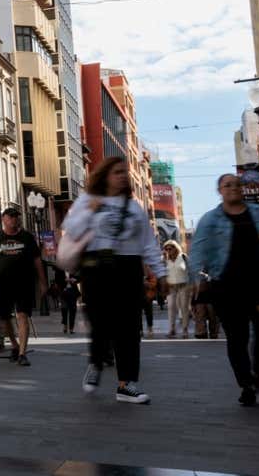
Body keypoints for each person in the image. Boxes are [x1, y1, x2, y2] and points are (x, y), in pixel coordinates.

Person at [63, 157, 166, 405]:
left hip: (128, 267)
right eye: (117, 172)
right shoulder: (87, 200)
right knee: (100, 321)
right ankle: (96, 361)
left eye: (125, 173)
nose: (123, 176)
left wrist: (161, 273)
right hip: (96, 266)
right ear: (105, 175)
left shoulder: (134, 208)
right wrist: (91, 210)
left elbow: (148, 243)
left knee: (129, 327)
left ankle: (126, 384)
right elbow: (72, 229)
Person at [188, 173, 259, 406]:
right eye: (228, 185)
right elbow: (197, 251)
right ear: (220, 190)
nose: (234, 188)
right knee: (237, 337)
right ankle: (246, 384)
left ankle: (256, 372)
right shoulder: (210, 219)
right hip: (226, 286)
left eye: (237, 184)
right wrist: (198, 278)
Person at [0, 206, 46, 366]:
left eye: (16, 216)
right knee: (4, 318)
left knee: (22, 315)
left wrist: (43, 282)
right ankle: (15, 346)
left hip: (24, 284)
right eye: (10, 217)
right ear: (3, 219)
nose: (14, 219)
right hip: (3, 284)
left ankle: (23, 353)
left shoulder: (27, 238)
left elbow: (37, 260)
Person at [163, 241, 191, 339]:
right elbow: (162, 272)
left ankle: (185, 329)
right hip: (171, 287)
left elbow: (191, 270)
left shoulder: (183, 257)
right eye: (166, 249)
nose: (168, 251)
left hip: (183, 285)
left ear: (176, 248)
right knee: (170, 307)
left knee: (184, 307)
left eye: (170, 249)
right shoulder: (165, 259)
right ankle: (172, 329)